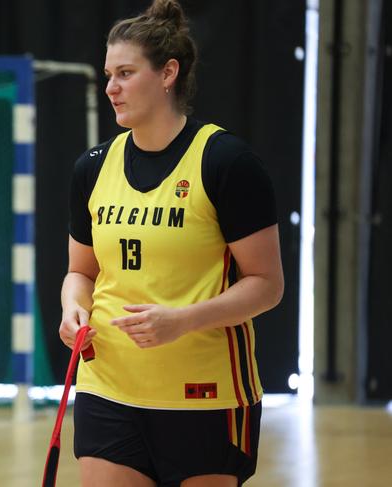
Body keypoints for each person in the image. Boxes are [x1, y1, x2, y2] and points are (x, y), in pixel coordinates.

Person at [58, 1, 284, 486]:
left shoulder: (226, 163)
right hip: (109, 387)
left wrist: (181, 321)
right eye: (108, 75)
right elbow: (81, 272)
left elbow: (267, 286)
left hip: (206, 394)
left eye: (124, 73)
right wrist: (73, 309)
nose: (111, 88)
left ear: (168, 74)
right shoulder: (93, 167)